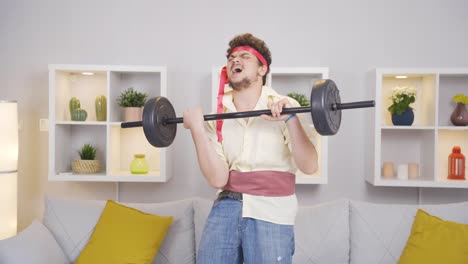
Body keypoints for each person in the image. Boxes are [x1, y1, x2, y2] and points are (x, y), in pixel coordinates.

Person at [183, 33, 318, 264]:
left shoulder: (287, 106)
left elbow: (310, 165)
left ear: (262, 69)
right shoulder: (215, 116)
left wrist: (291, 119)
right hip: (226, 206)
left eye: (245, 56)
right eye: (232, 57)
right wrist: (196, 129)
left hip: (272, 210)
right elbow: (218, 179)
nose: (236, 60)